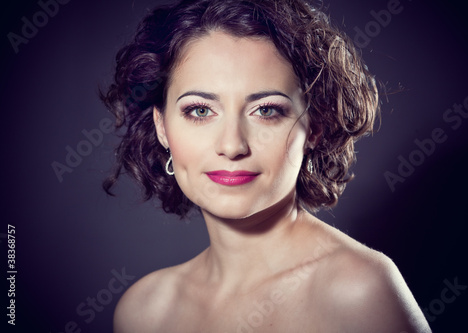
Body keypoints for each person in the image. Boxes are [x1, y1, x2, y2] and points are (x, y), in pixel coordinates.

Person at [100, 0, 432, 332]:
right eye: (200, 110)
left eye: (266, 110)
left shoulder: (358, 292)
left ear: (314, 126)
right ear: (162, 127)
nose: (231, 146)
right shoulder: (145, 311)